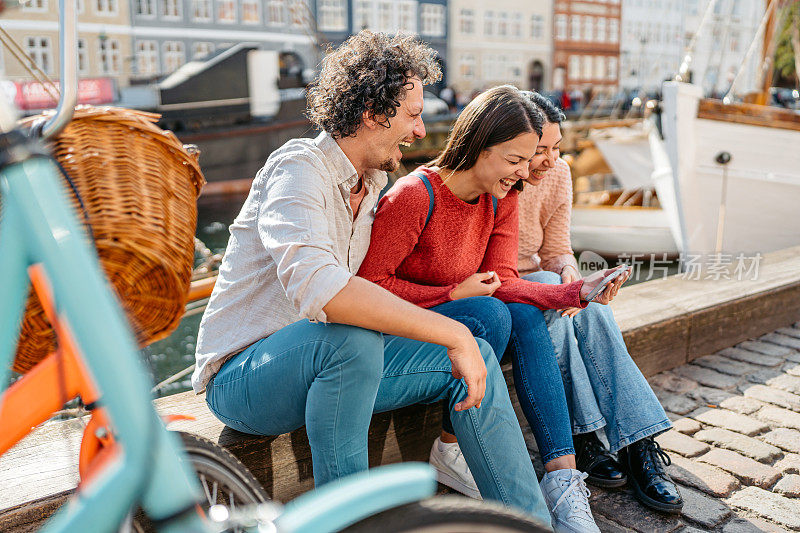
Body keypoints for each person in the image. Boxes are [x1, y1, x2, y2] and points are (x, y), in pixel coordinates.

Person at [191, 32, 552, 527]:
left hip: (333, 367)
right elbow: (322, 290)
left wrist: (462, 336)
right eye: (412, 114)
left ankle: (532, 523)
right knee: (354, 342)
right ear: (370, 112)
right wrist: (453, 330)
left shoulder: (373, 184)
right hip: (244, 377)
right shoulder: (298, 169)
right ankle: (355, 521)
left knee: (475, 357)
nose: (421, 131)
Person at [358, 85, 629, 533]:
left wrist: (577, 292)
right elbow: (368, 288)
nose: (525, 173)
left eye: (529, 160)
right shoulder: (412, 196)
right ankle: (450, 446)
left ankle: (562, 479)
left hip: (459, 322)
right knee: (491, 314)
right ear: (480, 145)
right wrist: (451, 295)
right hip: (396, 331)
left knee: (512, 311)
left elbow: (504, 280)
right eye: (516, 160)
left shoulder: (502, 197)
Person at [517, 90, 682, 514]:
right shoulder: (495, 177)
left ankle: (633, 443)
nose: (552, 160)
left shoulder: (557, 174)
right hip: (509, 292)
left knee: (591, 305)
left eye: (557, 147)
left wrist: (574, 277)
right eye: (540, 150)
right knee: (555, 302)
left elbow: (556, 249)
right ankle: (588, 436)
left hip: (543, 278)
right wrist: (559, 284)